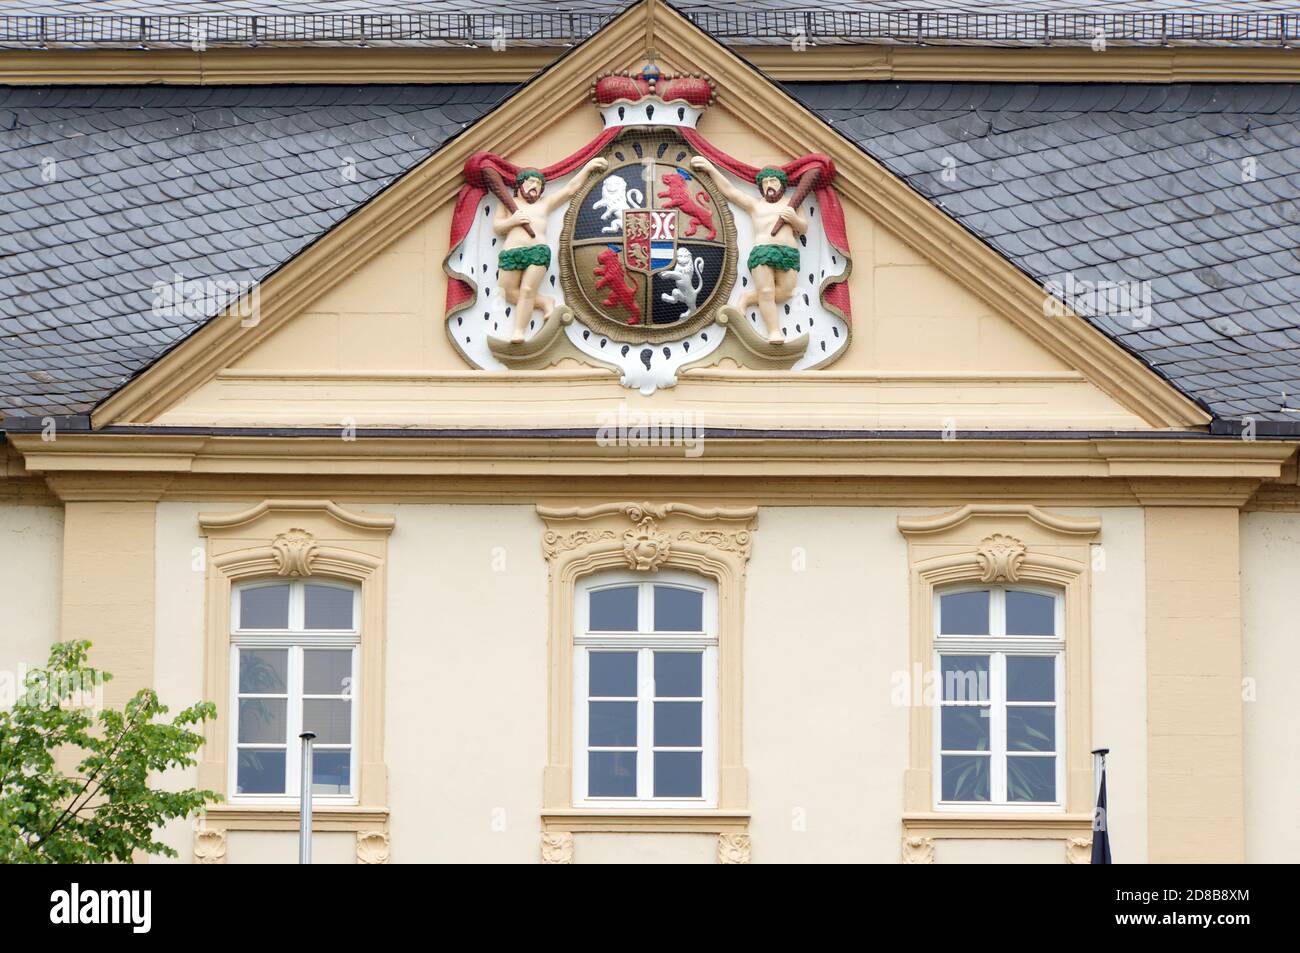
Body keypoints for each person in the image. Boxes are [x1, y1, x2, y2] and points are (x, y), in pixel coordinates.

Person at [690, 157, 806, 344]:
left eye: (773, 181)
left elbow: (803, 228)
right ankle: (774, 331)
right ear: (761, 187)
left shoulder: (792, 204)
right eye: (766, 182)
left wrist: (793, 218)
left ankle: (748, 298)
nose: (769, 185)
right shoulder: (756, 205)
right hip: (763, 251)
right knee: (767, 291)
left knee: (785, 292)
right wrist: (711, 169)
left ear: (781, 185)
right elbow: (730, 192)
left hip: (788, 252)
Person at [494, 158, 607, 342]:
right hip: (511, 252)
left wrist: (588, 167)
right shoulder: (507, 204)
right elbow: (498, 227)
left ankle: (519, 331)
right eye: (531, 182)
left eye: (539, 184)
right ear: (520, 184)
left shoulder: (544, 204)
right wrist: (512, 222)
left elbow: (569, 189)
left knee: (527, 289)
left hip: (537, 252)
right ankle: (545, 302)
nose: (535, 186)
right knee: (508, 292)